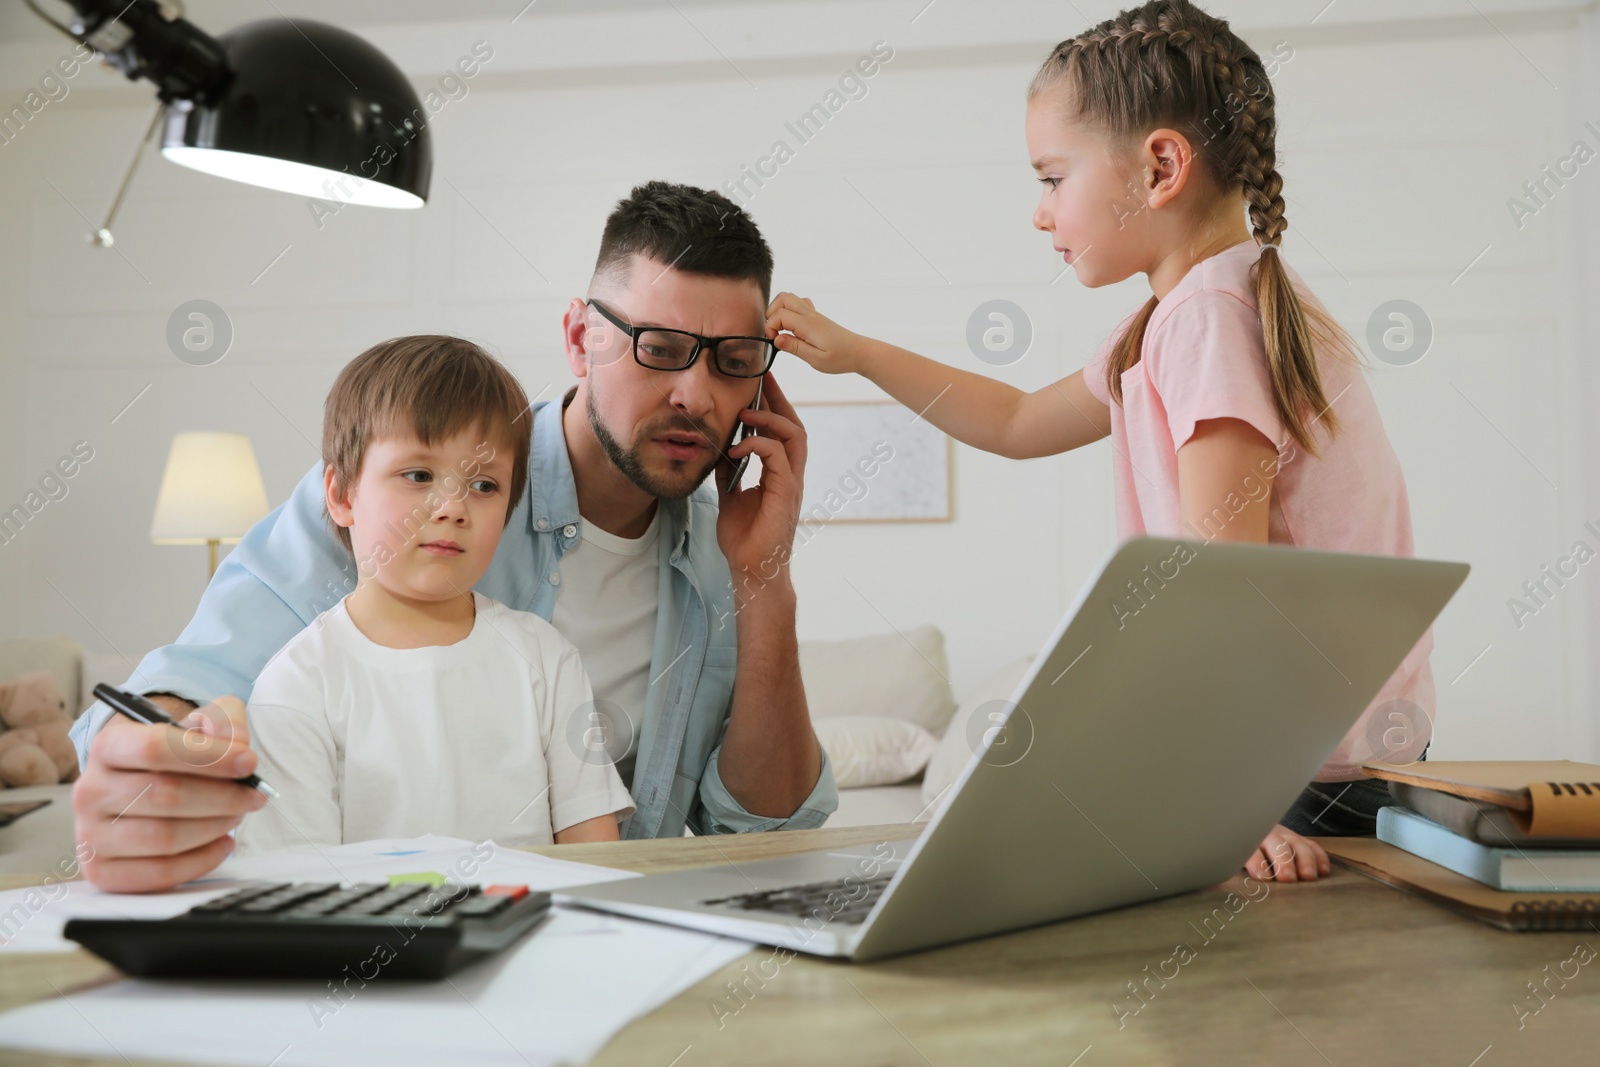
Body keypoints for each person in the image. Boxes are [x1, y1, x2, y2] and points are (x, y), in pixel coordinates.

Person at [765, 0, 1430, 883]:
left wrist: (1234, 801)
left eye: (1051, 177)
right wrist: (859, 354)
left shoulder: (1208, 321)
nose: (1041, 215)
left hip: (1292, 772)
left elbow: (1225, 589)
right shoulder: (1201, 310)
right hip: (1334, 757)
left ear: (1160, 166)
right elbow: (1012, 421)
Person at [71, 181, 835, 892]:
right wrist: (147, 765)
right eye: (659, 349)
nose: (695, 395)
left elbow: (768, 829)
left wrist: (766, 578)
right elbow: (199, 676)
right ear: (579, 337)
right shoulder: (400, 492)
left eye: (733, 363)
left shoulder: (723, 552)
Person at [235, 336, 634, 853]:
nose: (453, 507)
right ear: (340, 495)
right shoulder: (300, 682)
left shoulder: (544, 657)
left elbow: (595, 855)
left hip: (536, 930)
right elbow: (296, 887)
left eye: (485, 485)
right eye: (419, 475)